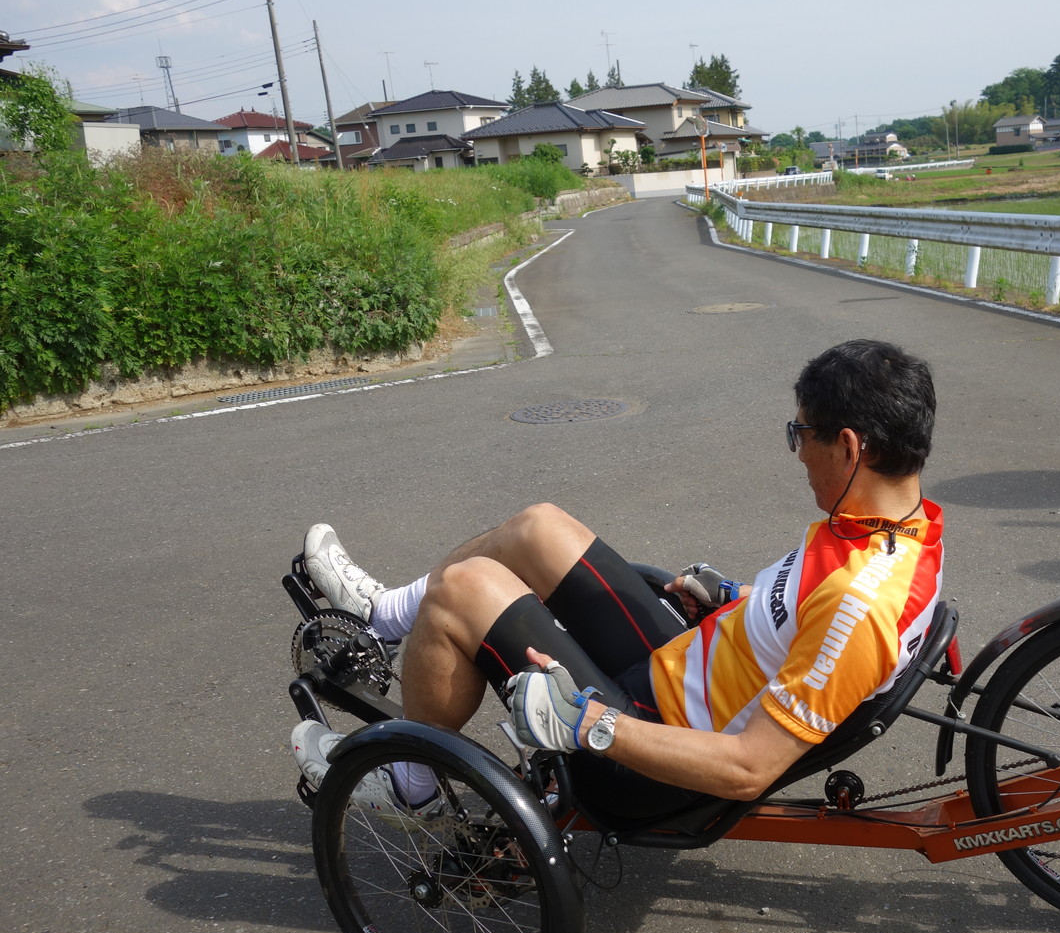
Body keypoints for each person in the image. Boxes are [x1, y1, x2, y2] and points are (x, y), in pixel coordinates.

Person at [290, 339, 945, 822]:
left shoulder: (859, 605)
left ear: (850, 447)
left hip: (652, 754)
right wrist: (738, 598)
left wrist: (590, 723)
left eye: (801, 432)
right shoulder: (892, 525)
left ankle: (411, 786)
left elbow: (749, 768)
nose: (797, 450)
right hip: (683, 670)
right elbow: (808, 624)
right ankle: (384, 616)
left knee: (465, 589)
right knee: (538, 528)